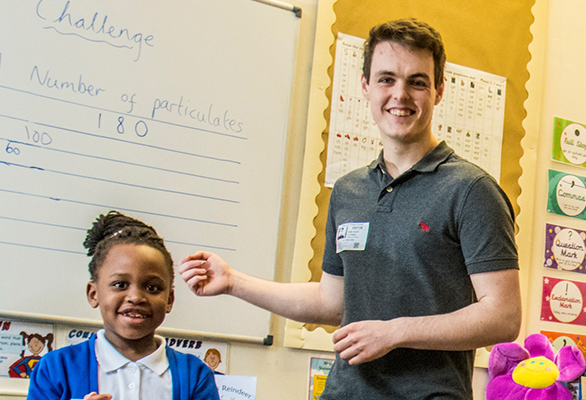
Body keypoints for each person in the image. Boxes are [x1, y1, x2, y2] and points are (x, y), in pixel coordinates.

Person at [178, 18, 521, 399]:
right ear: (365, 86)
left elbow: (503, 316)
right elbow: (332, 301)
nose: (400, 95)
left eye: (417, 81)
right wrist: (233, 282)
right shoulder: (349, 190)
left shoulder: (471, 190)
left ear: (439, 90)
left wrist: (395, 332)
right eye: (386, 79)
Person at [28, 211, 219, 400]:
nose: (136, 297)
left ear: (169, 300)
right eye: (120, 285)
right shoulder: (55, 368)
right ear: (94, 294)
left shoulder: (195, 375)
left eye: (152, 287)